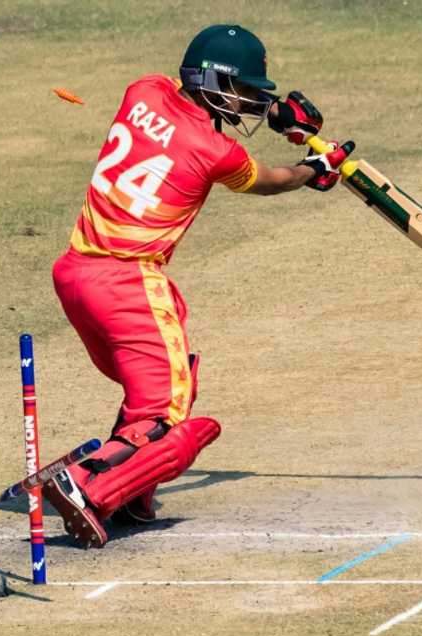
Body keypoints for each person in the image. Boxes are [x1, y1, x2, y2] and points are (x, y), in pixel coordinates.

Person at [42, 24, 354, 547]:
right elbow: (269, 181)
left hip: (75, 273)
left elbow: (186, 106)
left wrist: (277, 115)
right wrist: (312, 168)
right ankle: (90, 485)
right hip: (128, 283)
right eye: (246, 92)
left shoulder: (142, 90)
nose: (251, 102)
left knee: (163, 382)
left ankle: (133, 497)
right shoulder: (218, 153)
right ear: (214, 83)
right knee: (167, 417)